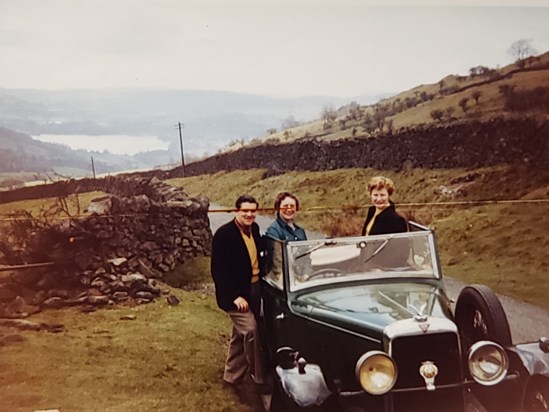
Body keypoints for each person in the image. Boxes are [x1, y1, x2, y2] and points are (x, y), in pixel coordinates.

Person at [210, 194, 267, 389]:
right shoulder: (224, 235)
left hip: (255, 288)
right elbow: (218, 271)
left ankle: (231, 377)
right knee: (251, 330)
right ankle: (260, 379)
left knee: (239, 335)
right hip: (235, 295)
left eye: (252, 211)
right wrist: (235, 296)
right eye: (245, 211)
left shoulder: (255, 229)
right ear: (236, 211)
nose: (249, 214)